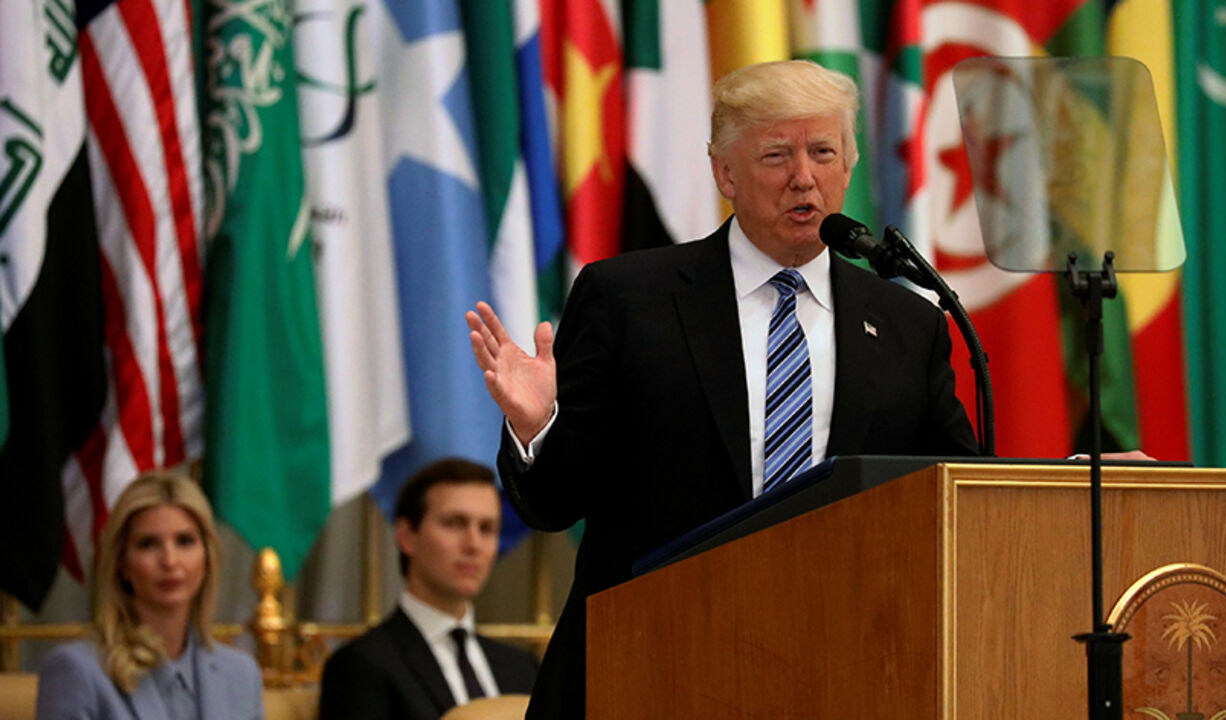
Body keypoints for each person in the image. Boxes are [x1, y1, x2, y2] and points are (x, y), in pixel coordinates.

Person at [466, 60, 979, 719]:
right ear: (724, 173)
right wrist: (539, 429)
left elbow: (957, 489)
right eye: (776, 154)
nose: (804, 176)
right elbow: (555, 503)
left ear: (849, 164)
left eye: (823, 151)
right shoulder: (629, 300)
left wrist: (1069, 488)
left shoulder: (910, 323)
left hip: (842, 672)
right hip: (651, 667)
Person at [318, 459, 538, 720]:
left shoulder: (523, 668)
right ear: (407, 535)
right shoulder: (360, 666)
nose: (474, 544)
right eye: (455, 523)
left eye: (486, 528)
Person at [35, 471, 264, 720]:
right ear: (121, 562)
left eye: (185, 541)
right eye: (148, 544)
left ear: (207, 557)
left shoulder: (242, 675)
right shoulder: (77, 670)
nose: (170, 561)